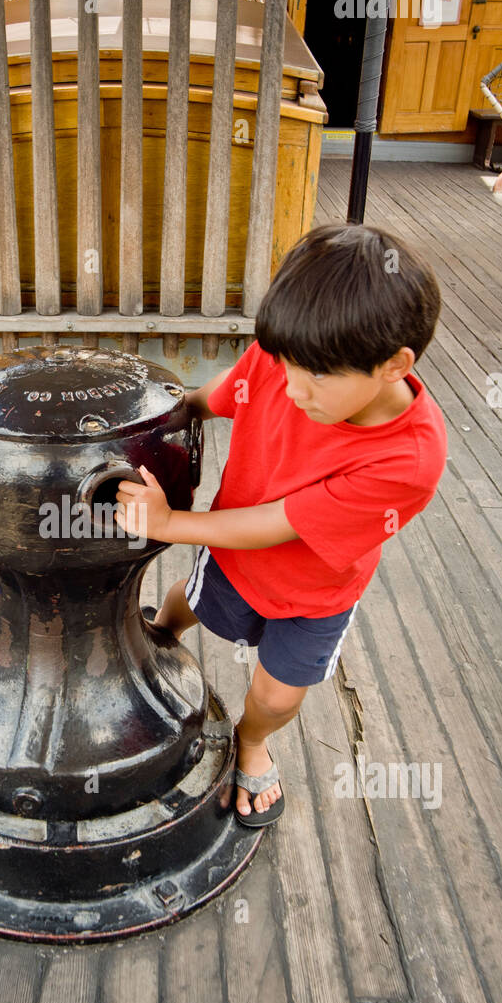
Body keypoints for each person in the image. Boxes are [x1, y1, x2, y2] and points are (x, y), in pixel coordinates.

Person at [116, 224, 447, 827]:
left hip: (314, 591)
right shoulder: (290, 354)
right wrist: (170, 408)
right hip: (231, 555)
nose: (292, 387)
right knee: (189, 600)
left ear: (396, 364)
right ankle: (158, 635)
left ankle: (251, 741)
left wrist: (170, 523)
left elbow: (279, 524)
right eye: (285, 363)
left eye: (316, 375)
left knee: (277, 695)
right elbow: (222, 394)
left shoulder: (409, 459)